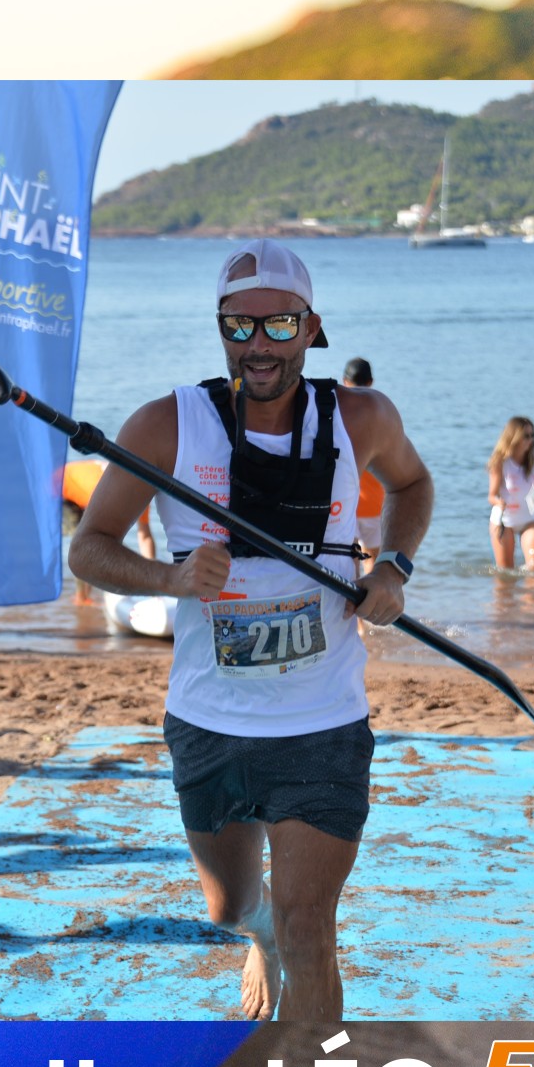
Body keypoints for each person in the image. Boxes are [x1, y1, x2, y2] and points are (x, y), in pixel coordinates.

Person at [69, 239, 433, 1021]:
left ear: (312, 328)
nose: (258, 345)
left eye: (279, 326)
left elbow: (413, 483)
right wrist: (169, 579)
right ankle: (254, 936)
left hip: (323, 722)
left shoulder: (362, 417)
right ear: (220, 328)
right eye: (239, 327)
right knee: (233, 908)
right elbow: (88, 548)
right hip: (210, 721)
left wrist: (393, 569)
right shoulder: (166, 426)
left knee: (309, 927)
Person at [61, 459, 154, 603]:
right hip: (61, 487)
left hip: (85, 485)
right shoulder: (103, 495)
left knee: (101, 544)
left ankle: (88, 592)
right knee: (84, 543)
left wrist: (151, 578)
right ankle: (81, 598)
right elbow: (89, 544)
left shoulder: (142, 493)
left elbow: (145, 536)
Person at [486, 416, 534, 570]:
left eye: (533, 435)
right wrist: (499, 502)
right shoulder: (500, 461)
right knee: (506, 573)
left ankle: (531, 586)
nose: (530, 440)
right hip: (504, 521)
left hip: (531, 519)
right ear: (514, 437)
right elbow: (491, 496)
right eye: (526, 436)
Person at [342, 359, 386, 572]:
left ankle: (350, 591)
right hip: (374, 501)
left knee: (349, 557)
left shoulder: (338, 414)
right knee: (372, 557)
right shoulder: (381, 415)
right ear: (370, 382)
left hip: (345, 502)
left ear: (344, 381)